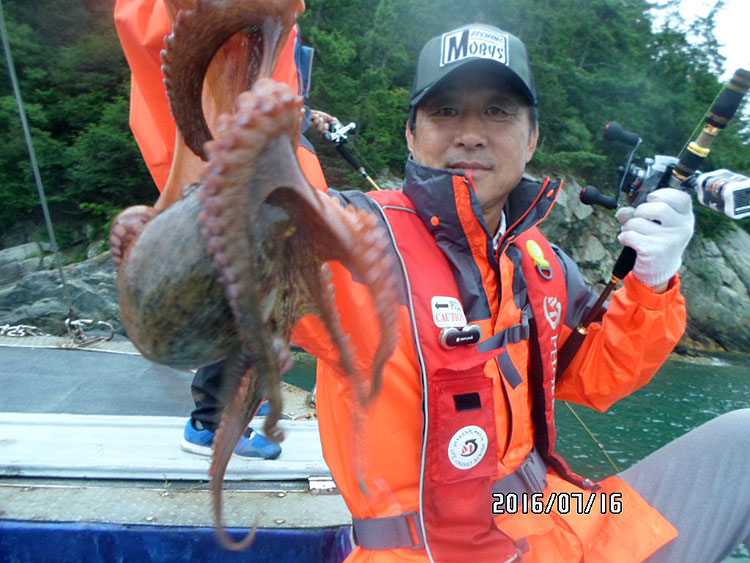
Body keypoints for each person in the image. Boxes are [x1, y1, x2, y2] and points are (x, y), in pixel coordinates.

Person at [291, 23, 750, 562]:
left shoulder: (539, 259)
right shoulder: (347, 240)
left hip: (562, 520)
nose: (470, 134)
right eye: (445, 111)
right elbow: (249, 206)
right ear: (411, 134)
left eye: (497, 111)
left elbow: (598, 374)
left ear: (532, 139)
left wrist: (653, 279)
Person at [113, 0, 337, 460]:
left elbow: (266, 85)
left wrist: (306, 116)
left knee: (256, 296)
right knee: (240, 296)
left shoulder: (267, 35)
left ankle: (229, 411)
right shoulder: (211, 24)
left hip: (245, 174)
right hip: (227, 183)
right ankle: (210, 423)